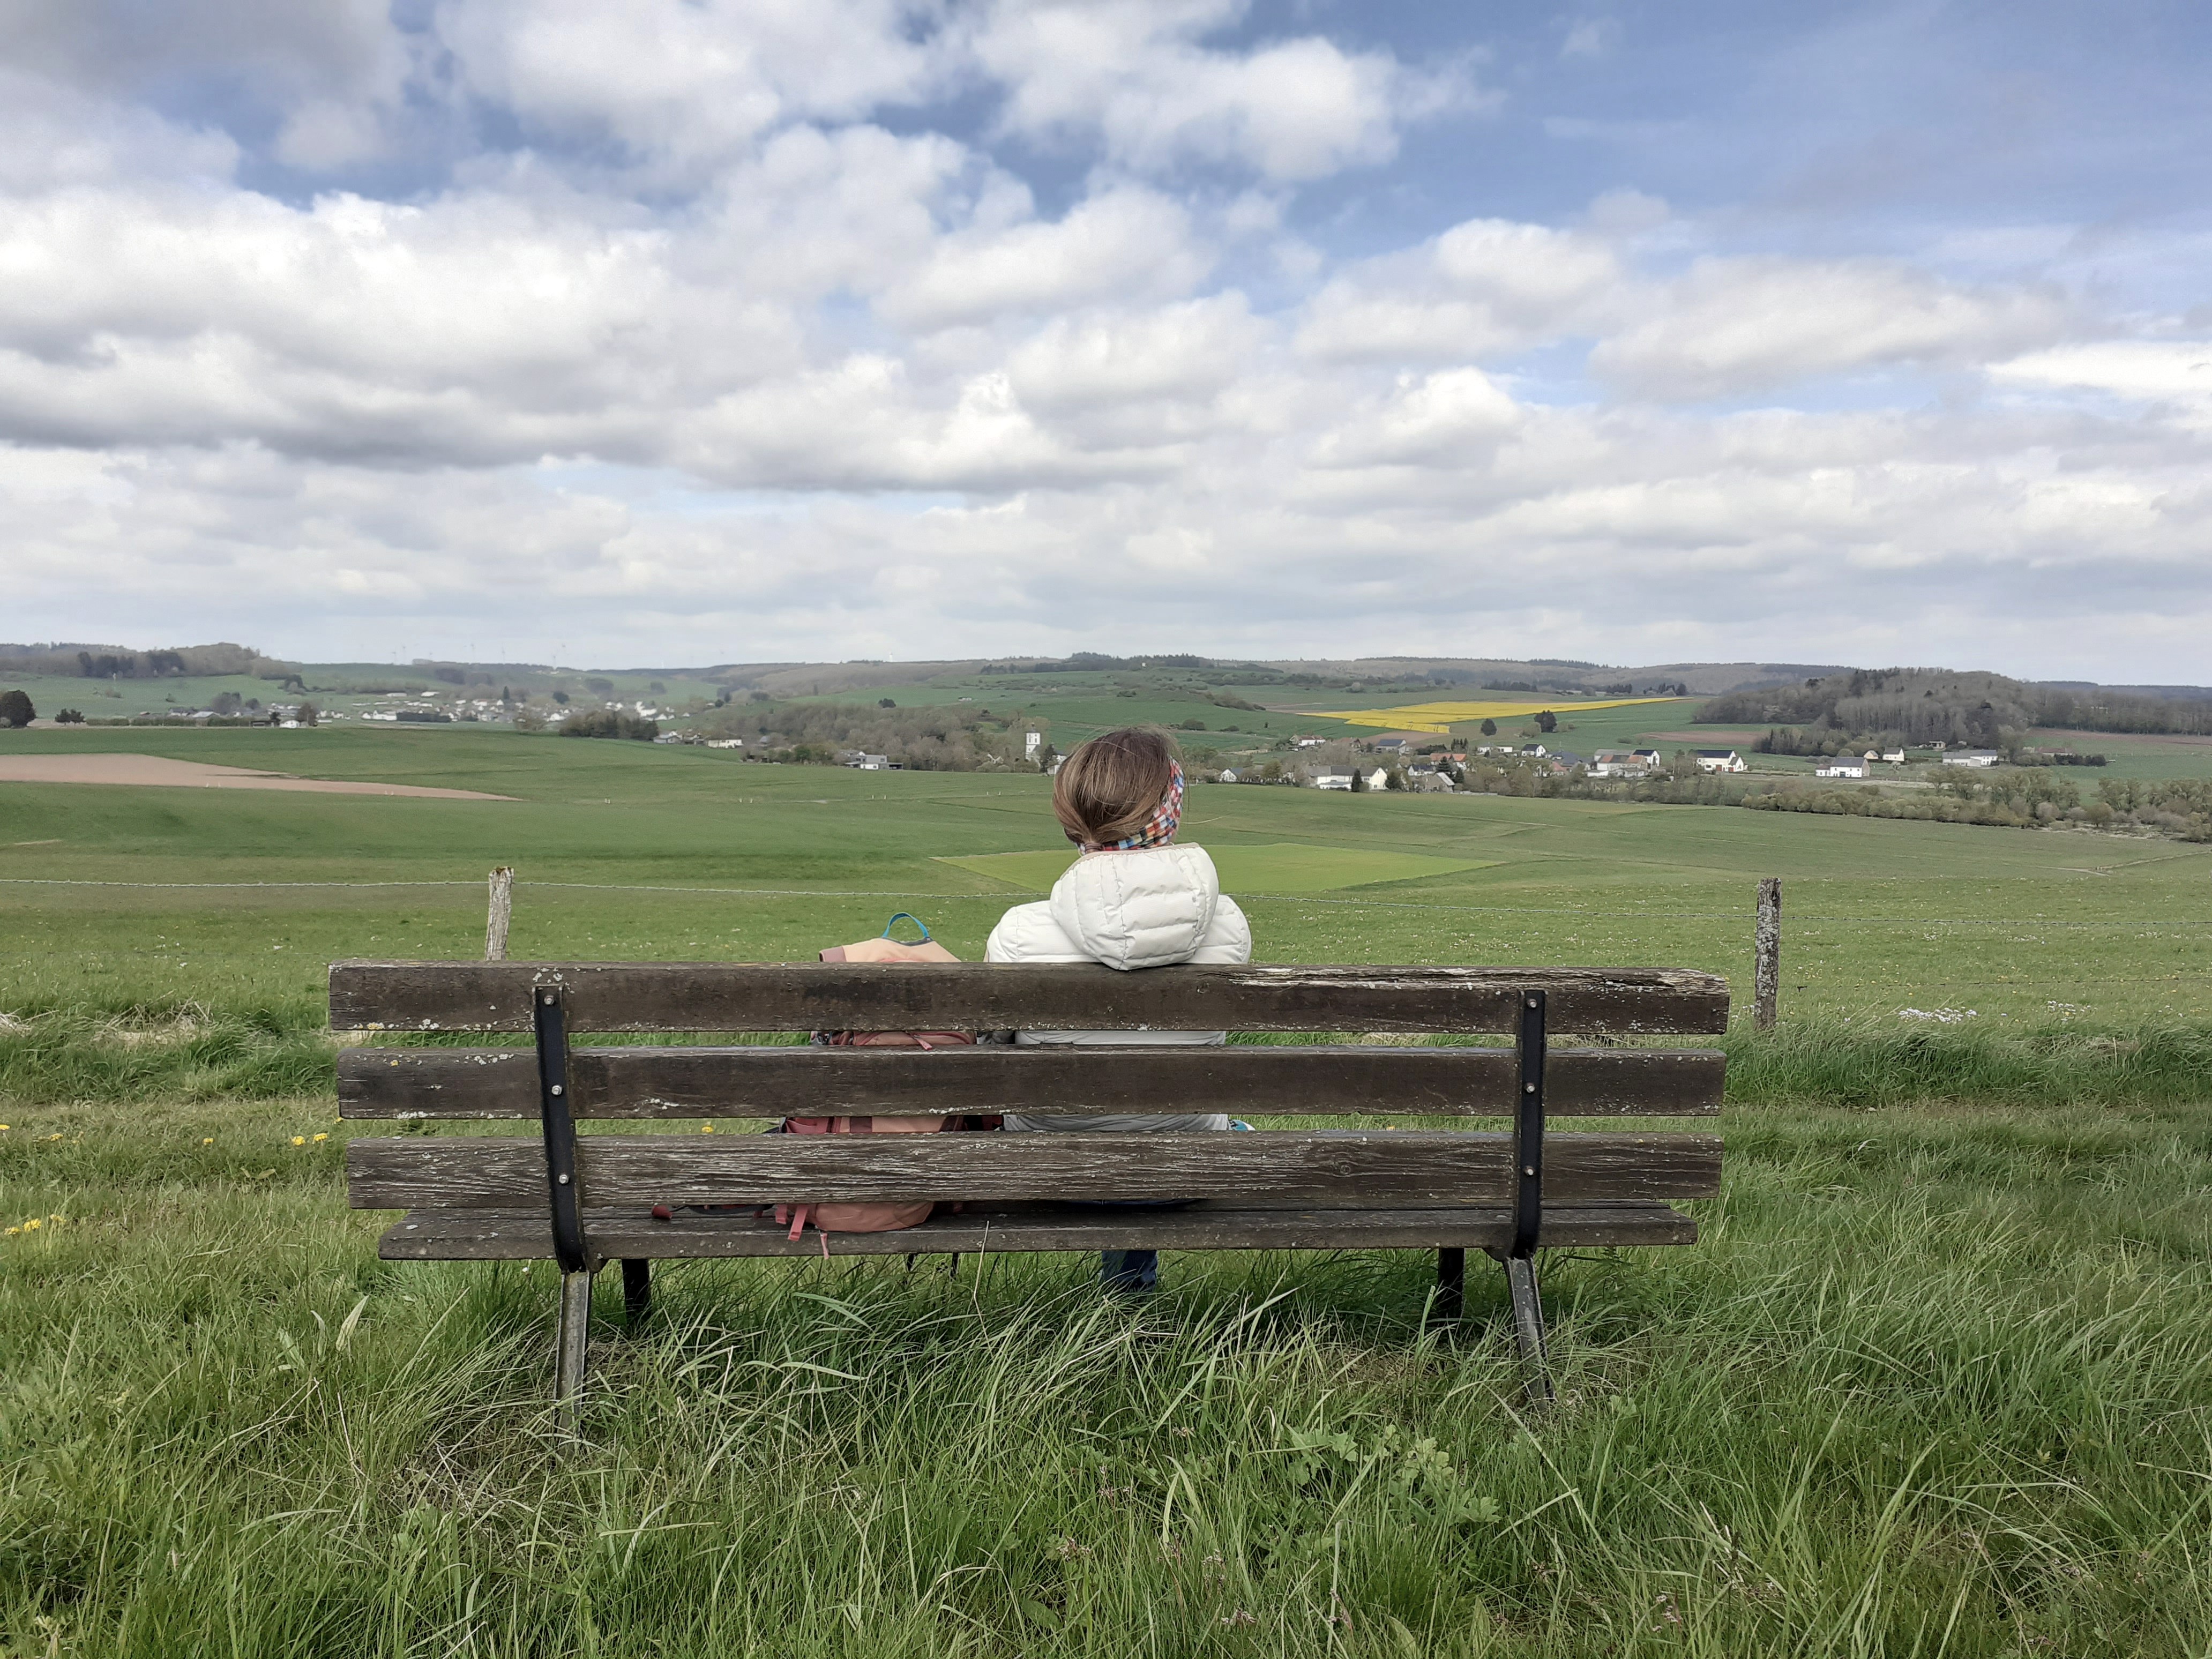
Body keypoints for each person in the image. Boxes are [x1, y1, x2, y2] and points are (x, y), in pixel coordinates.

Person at [985, 727, 1250, 1293]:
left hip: (1051, 1170)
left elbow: (990, 1049)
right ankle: (1128, 1296)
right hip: (1184, 1169)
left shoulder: (1019, 932)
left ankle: (1123, 1299)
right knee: (1168, 1109)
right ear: (1170, 811)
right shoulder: (1228, 926)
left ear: (1071, 818)